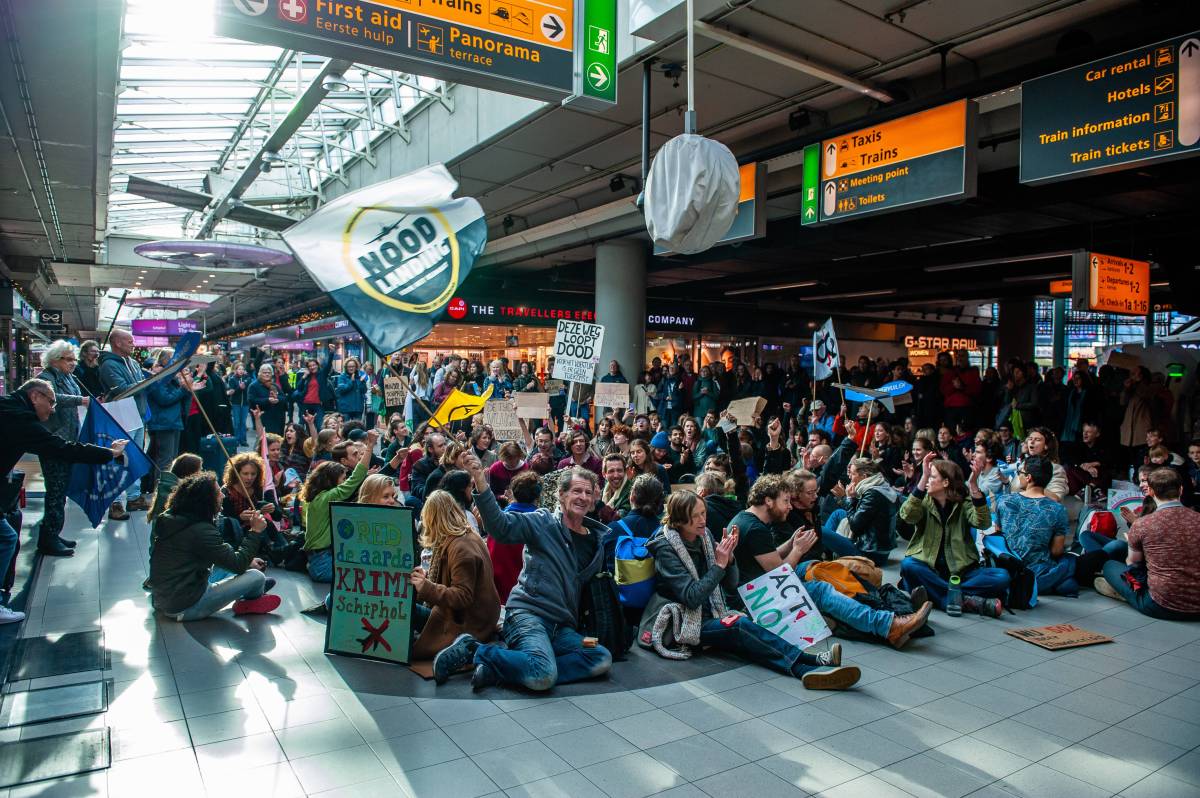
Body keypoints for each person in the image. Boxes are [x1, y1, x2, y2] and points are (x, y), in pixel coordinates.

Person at [639, 491, 860, 689]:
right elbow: (692, 597)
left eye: (703, 513)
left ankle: (811, 662)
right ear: (679, 519)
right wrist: (719, 564)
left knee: (748, 633)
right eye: (696, 515)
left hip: (709, 612)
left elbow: (729, 584)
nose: (703, 520)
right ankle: (805, 667)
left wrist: (730, 558)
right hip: (682, 620)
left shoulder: (704, 537)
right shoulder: (666, 548)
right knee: (740, 626)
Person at [433, 458, 613, 691]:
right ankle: (474, 649)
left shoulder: (595, 538)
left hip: (563, 629)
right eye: (576, 490)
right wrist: (479, 480)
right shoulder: (543, 522)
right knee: (543, 676)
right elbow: (500, 527)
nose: (582, 497)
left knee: (600, 655)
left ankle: (505, 668)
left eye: (588, 492)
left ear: (594, 499)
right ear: (561, 494)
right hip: (528, 618)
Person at [729, 474, 931, 648]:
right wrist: (798, 550)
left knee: (825, 579)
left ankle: (893, 618)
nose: (788, 507)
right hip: (755, 600)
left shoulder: (746, 519)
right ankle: (889, 626)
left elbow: (769, 557)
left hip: (755, 589)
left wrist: (791, 543)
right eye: (785, 501)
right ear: (768, 501)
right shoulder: (756, 529)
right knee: (821, 590)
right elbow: (779, 574)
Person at [148, 472, 279, 620]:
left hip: (163, 599)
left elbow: (215, 554)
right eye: (218, 493)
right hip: (185, 606)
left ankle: (250, 589)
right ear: (205, 500)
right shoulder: (201, 529)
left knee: (232, 564)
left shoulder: (173, 517)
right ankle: (251, 598)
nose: (222, 496)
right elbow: (238, 565)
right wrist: (255, 531)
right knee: (257, 576)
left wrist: (247, 560)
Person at [899, 453, 1008, 616]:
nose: (928, 480)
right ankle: (964, 600)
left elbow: (983, 523)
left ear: (946, 482)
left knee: (1001, 576)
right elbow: (906, 515)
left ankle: (939, 593)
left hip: (961, 571)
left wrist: (973, 485)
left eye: (932, 477)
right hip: (929, 567)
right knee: (908, 565)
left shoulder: (963, 503)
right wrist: (923, 478)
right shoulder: (923, 501)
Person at [408, 491, 502, 678]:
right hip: (474, 616)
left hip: (468, 622)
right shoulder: (464, 535)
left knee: (407, 610)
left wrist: (427, 587)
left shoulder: (460, 548)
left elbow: (462, 596)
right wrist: (425, 579)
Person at [1094, 468, 1200, 620]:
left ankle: (1127, 595)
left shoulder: (1142, 524)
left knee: (1110, 566)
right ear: (1181, 490)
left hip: (1160, 605)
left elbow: (1133, 565)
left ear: (1150, 491)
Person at [34, 342, 94, 556]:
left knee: (61, 491)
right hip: (53, 441)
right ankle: (48, 538)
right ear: (54, 360)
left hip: (67, 439)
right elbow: (52, 398)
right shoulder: (45, 378)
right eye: (68, 359)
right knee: (55, 491)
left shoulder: (69, 378)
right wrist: (80, 400)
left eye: (74, 359)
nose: (73, 363)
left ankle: (53, 532)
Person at [994, 456, 1078, 596]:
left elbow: (999, 537)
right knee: (1069, 561)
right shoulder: (1058, 510)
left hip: (1007, 567)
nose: (1018, 476)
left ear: (1028, 477)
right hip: (1037, 570)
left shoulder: (1004, 501)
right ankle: (1042, 585)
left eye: (1020, 472)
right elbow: (1056, 551)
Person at [300, 431, 375, 582]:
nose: (344, 481)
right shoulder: (326, 497)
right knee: (362, 577)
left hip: (324, 555)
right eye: (343, 478)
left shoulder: (319, 496)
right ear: (331, 480)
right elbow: (355, 479)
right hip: (322, 561)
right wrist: (370, 446)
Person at [98, 328, 149, 519]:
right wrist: (147, 383)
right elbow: (121, 390)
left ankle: (134, 497)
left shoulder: (133, 362)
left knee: (134, 458)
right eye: (129, 341)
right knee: (120, 459)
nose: (133, 344)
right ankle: (116, 502)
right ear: (117, 343)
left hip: (138, 416)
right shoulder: (109, 365)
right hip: (121, 417)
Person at [821, 457, 898, 565]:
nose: (849, 477)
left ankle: (821, 553)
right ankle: (825, 551)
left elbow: (855, 526)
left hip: (870, 554)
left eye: (852, 474)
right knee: (838, 513)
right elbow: (865, 514)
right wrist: (847, 498)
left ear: (864, 476)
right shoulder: (881, 486)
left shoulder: (872, 494)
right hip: (879, 548)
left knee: (820, 530)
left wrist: (847, 498)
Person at [147, 453, 203, 524]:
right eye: (200, 469)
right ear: (190, 472)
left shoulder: (168, 486)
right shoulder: (174, 490)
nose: (201, 473)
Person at [292, 356, 331, 431]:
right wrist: (304, 377)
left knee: (320, 426)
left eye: (314, 365)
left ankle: (319, 442)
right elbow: (299, 388)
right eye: (310, 366)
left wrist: (331, 353)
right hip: (305, 405)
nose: (312, 367)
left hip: (318, 405)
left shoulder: (322, 374)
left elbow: (328, 365)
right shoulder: (306, 376)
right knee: (303, 427)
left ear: (317, 365)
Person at [248, 364, 286, 435]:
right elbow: (252, 401)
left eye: (269, 373)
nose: (267, 374)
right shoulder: (254, 386)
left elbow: (284, 398)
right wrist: (267, 400)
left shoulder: (274, 385)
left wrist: (278, 399)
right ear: (260, 374)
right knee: (265, 442)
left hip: (277, 419)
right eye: (264, 372)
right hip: (263, 418)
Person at [599, 452, 632, 519]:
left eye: (619, 470)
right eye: (611, 471)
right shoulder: (602, 492)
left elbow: (620, 518)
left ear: (625, 471)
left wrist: (597, 503)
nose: (616, 475)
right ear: (604, 474)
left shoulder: (632, 492)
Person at [335, 357, 368, 422]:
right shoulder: (342, 376)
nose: (351, 368)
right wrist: (351, 382)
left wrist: (362, 382)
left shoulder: (359, 376)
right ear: (346, 367)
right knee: (346, 428)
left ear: (356, 367)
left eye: (353, 366)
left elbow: (364, 391)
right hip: (346, 408)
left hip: (358, 408)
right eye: (349, 366)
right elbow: (341, 390)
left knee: (357, 428)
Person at [227, 362, 252, 445]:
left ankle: (243, 440)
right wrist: (239, 388)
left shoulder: (247, 378)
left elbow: (248, 389)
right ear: (235, 370)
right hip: (236, 403)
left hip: (245, 403)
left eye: (242, 369)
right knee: (237, 422)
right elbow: (233, 391)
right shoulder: (232, 379)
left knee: (243, 422)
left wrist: (243, 388)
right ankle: (236, 439)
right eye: (239, 369)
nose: (241, 371)